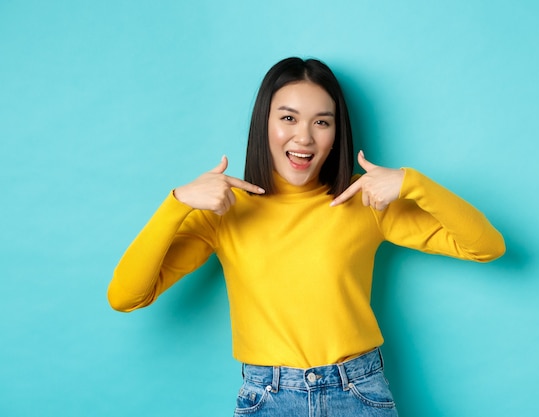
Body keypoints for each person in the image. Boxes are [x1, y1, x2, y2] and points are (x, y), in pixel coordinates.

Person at [108, 57, 505, 417]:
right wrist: (176, 203)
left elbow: (487, 246)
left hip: (359, 392)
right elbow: (126, 296)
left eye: (321, 121)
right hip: (268, 397)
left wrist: (412, 183)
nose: (304, 138)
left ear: (336, 133)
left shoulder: (364, 200)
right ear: (264, 122)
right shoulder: (224, 212)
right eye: (288, 118)